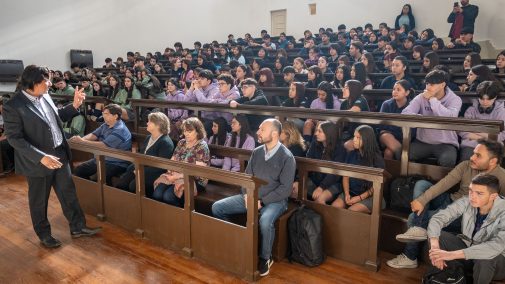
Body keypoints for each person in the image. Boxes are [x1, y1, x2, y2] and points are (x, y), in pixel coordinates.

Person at [3, 65, 100, 248]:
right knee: (39, 200)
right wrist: (41, 157)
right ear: (33, 83)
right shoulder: (13, 106)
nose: (50, 83)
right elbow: (15, 139)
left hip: (60, 154)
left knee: (68, 193)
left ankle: (78, 227)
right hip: (38, 161)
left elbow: (57, 118)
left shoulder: (46, 95)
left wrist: (75, 106)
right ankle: (44, 235)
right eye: (46, 80)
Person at [387, 140, 505, 269]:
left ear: (493, 161)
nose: (472, 157)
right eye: (473, 153)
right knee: (422, 184)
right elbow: (444, 184)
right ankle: (419, 228)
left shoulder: (502, 178)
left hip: (464, 214)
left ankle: (410, 256)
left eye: (478, 155)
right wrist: (422, 200)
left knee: (413, 218)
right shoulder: (466, 165)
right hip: (450, 200)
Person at [212, 118, 296, 277]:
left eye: (262, 130)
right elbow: (246, 177)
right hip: (251, 196)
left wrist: (261, 201)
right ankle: (236, 241)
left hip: (275, 201)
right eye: (259, 128)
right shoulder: (257, 152)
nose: (258, 132)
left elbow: (285, 190)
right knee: (217, 208)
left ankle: (265, 257)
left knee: (265, 222)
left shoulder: (287, 157)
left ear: (275, 133)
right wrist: (246, 195)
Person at [426, 174, 505, 284]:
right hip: (468, 252)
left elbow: (496, 246)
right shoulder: (467, 201)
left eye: (479, 193)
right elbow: (438, 218)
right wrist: (435, 248)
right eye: (471, 191)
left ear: (493, 196)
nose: (472, 196)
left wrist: (451, 255)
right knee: (439, 236)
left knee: (484, 258)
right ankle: (445, 279)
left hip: (495, 263)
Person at [401, 70, 462, 167]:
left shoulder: (455, 99)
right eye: (427, 84)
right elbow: (405, 113)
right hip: (423, 141)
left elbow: (450, 118)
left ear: (442, 85)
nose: (428, 87)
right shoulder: (421, 97)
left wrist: (432, 100)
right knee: (401, 154)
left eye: (432, 84)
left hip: (445, 143)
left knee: (448, 160)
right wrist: (422, 119)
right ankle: (410, 180)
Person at [152, 117, 210, 207]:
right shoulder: (181, 142)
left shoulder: (202, 146)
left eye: (189, 131)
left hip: (194, 179)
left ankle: (177, 218)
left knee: (168, 196)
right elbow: (173, 159)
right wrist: (171, 171)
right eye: (185, 131)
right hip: (176, 175)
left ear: (198, 132)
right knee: (157, 194)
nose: (186, 134)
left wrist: (177, 176)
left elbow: (197, 171)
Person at [114, 112, 174, 197]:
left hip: (154, 173)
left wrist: (140, 170)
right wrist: (134, 167)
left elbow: (162, 166)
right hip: (141, 169)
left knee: (133, 186)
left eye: (150, 121)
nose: (147, 123)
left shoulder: (165, 142)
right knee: (122, 183)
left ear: (158, 125)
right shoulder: (148, 137)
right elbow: (142, 156)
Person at [72, 104, 132, 185]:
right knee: (79, 170)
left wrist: (82, 142)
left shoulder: (120, 130)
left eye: (106, 114)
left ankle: (104, 195)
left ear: (115, 116)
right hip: (101, 158)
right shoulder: (106, 125)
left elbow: (104, 146)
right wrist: (81, 139)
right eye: (103, 113)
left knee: (101, 176)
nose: (103, 116)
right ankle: (90, 192)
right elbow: (93, 135)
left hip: (117, 162)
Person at [332, 125, 385, 213]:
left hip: (371, 196)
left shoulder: (377, 159)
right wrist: (347, 194)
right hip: (352, 192)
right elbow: (346, 176)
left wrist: (359, 198)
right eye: (354, 136)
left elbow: (376, 186)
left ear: (367, 140)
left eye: (358, 137)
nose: (354, 140)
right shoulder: (351, 154)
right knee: (335, 207)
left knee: (352, 211)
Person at [459, 81, 505, 161]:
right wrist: (488, 136)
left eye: (489, 99)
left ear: (495, 98)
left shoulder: (501, 112)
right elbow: (463, 132)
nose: (485, 102)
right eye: (482, 99)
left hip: (492, 146)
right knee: (466, 159)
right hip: (471, 146)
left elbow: (502, 136)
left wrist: (475, 131)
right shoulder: (471, 110)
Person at [306, 121, 346, 204]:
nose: (316, 133)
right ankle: (299, 214)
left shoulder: (340, 149)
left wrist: (321, 187)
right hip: (315, 180)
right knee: (295, 188)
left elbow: (335, 173)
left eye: (319, 131)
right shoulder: (315, 143)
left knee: (319, 199)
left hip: (333, 183)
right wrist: (299, 179)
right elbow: (307, 162)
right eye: (316, 130)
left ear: (329, 133)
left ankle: (319, 217)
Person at [378, 80, 413, 160]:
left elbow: (412, 129)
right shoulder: (386, 104)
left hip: (403, 138)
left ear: (407, 93)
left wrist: (394, 129)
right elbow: (382, 125)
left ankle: (389, 172)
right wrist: (396, 129)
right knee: (386, 136)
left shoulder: (412, 106)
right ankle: (405, 160)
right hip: (386, 136)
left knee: (388, 152)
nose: (395, 92)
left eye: (398, 90)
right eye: (394, 89)